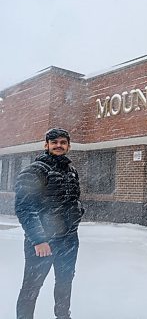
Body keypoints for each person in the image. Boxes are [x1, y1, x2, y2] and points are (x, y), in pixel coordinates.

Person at [15, 128, 84, 319]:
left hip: (69, 241)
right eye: (54, 142)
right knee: (32, 286)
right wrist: (38, 240)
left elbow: (73, 200)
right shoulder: (35, 170)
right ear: (46, 145)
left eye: (63, 142)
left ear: (68, 146)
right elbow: (25, 208)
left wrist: (78, 213)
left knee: (65, 282)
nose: (58, 145)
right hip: (42, 243)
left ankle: (63, 316)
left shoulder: (71, 171)